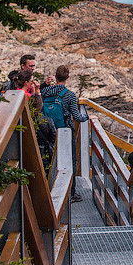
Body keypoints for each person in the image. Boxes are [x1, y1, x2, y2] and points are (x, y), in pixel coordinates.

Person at [41, 64, 89, 202]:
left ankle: (49, 189)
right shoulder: (69, 95)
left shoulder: (45, 92)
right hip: (65, 131)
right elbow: (77, 117)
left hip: (47, 131)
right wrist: (87, 117)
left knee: (49, 158)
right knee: (70, 161)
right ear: (68, 77)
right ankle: (71, 193)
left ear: (55, 77)